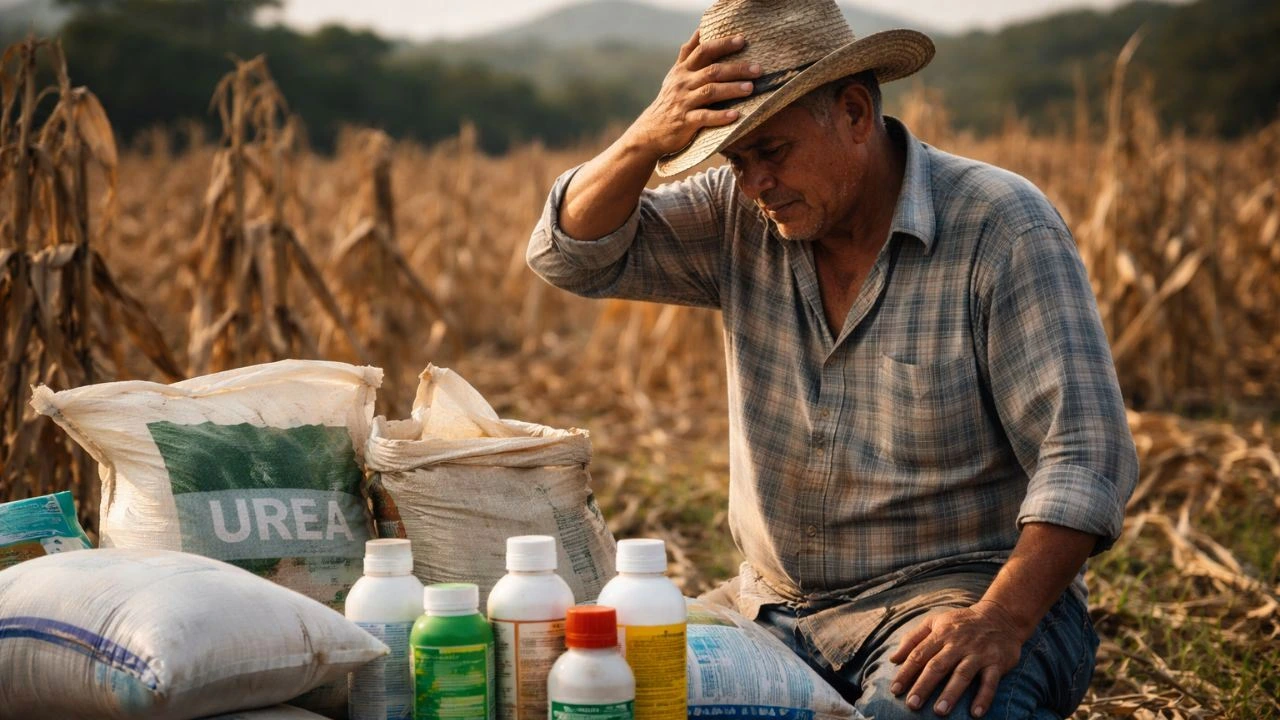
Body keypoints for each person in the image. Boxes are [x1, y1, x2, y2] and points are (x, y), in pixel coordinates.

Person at [526, 1, 1138, 718]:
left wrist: (1000, 619)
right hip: (770, 612)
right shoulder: (741, 212)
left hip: (954, 602)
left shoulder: (1001, 227)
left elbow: (1085, 456)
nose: (754, 183)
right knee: (586, 691)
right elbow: (569, 254)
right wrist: (644, 139)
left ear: (853, 112)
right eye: (735, 158)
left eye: (773, 151)